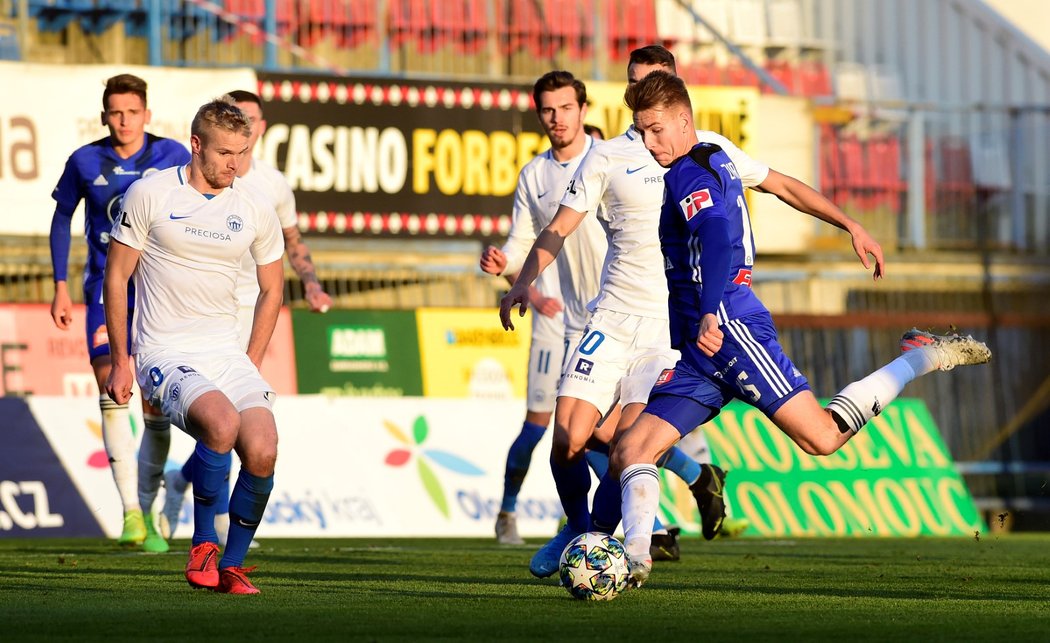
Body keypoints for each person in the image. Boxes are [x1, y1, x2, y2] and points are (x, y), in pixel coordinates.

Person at [614, 70, 991, 587]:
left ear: (684, 121)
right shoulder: (712, 152)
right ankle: (633, 562)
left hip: (726, 328)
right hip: (701, 349)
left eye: (655, 129)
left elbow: (719, 239)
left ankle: (922, 355)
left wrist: (706, 311)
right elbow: (782, 186)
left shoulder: (686, 173)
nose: (648, 141)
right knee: (630, 451)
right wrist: (851, 224)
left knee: (821, 438)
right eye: (640, 130)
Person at [499, 53, 738, 578]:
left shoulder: (705, 155)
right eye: (635, 85)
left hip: (663, 330)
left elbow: (774, 184)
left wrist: (848, 224)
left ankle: (613, 547)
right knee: (567, 439)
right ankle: (579, 527)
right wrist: (522, 281)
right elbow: (558, 228)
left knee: (627, 449)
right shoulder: (606, 155)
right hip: (608, 319)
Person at [104, 96, 285, 594]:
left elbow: (274, 288)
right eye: (225, 153)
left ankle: (233, 566)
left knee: (264, 449)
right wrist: (123, 360)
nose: (235, 164)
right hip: (165, 352)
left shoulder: (253, 205)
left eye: (243, 152)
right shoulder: (150, 194)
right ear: (196, 145)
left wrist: (249, 363)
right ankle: (203, 544)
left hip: (225, 355)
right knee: (222, 425)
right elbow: (116, 277)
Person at [158, 89, 332, 546]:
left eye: (250, 124)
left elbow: (292, 241)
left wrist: (310, 282)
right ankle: (210, 526)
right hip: (202, 314)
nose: (243, 132)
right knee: (220, 423)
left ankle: (188, 487)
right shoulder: (187, 182)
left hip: (250, 311)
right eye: (237, 120)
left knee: (246, 426)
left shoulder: (272, 185)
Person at [49, 73, 190, 553]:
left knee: (156, 410)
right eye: (115, 112)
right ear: (104, 115)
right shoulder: (84, 160)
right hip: (103, 293)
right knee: (114, 390)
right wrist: (58, 286)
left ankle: (148, 507)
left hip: (159, 298)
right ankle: (130, 511)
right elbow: (60, 220)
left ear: (146, 115)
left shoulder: (173, 157)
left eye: (133, 112)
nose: (124, 121)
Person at [481, 71, 608, 547]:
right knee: (556, 431)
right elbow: (520, 244)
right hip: (564, 322)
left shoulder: (609, 160)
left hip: (621, 314)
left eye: (566, 108)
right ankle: (514, 513)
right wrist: (504, 263)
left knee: (612, 431)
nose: (557, 118)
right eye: (548, 110)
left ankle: (641, 527)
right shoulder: (534, 175)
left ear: (583, 109)